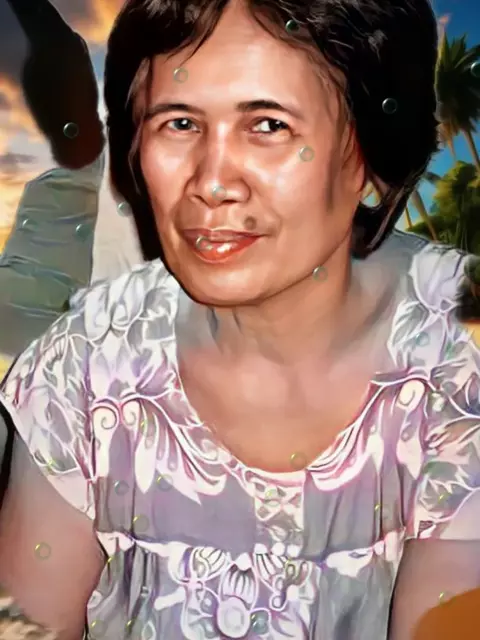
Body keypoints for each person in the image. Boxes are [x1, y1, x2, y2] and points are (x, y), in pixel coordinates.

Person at [0, 0, 479, 638]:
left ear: (370, 162)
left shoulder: (456, 367)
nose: (212, 181)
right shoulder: (86, 367)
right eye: (178, 123)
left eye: (269, 125)